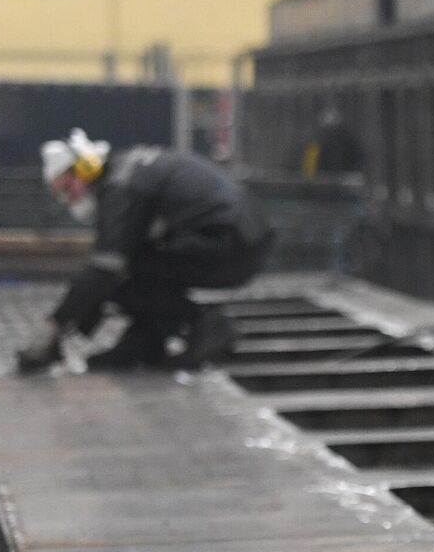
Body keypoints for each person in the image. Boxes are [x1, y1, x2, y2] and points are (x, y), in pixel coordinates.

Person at [16, 129, 274, 374]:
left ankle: (206, 324)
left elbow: (105, 269)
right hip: (242, 239)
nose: (68, 200)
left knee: (118, 274)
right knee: (129, 267)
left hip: (228, 243)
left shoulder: (120, 188)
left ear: (84, 169)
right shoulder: (127, 172)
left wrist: (53, 328)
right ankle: (146, 340)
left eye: (67, 189)